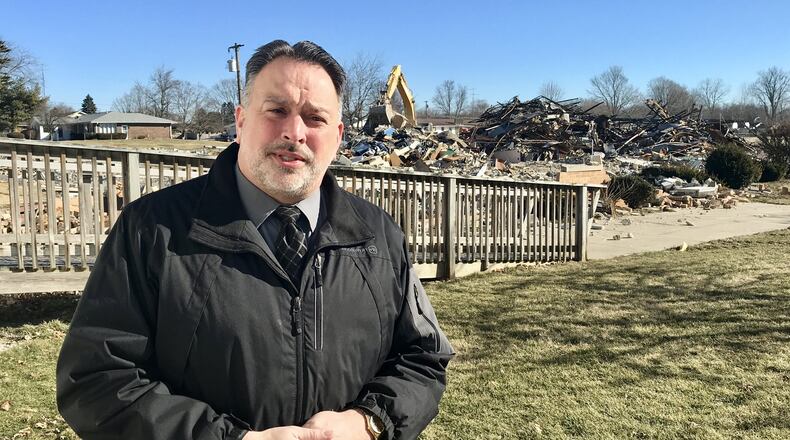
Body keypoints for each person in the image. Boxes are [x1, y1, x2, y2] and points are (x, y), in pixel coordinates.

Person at [56, 40, 453, 440]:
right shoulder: (152, 230)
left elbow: (423, 356)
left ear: (337, 135)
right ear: (242, 120)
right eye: (276, 110)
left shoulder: (377, 235)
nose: (294, 132)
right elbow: (97, 379)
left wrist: (370, 421)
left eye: (314, 118)